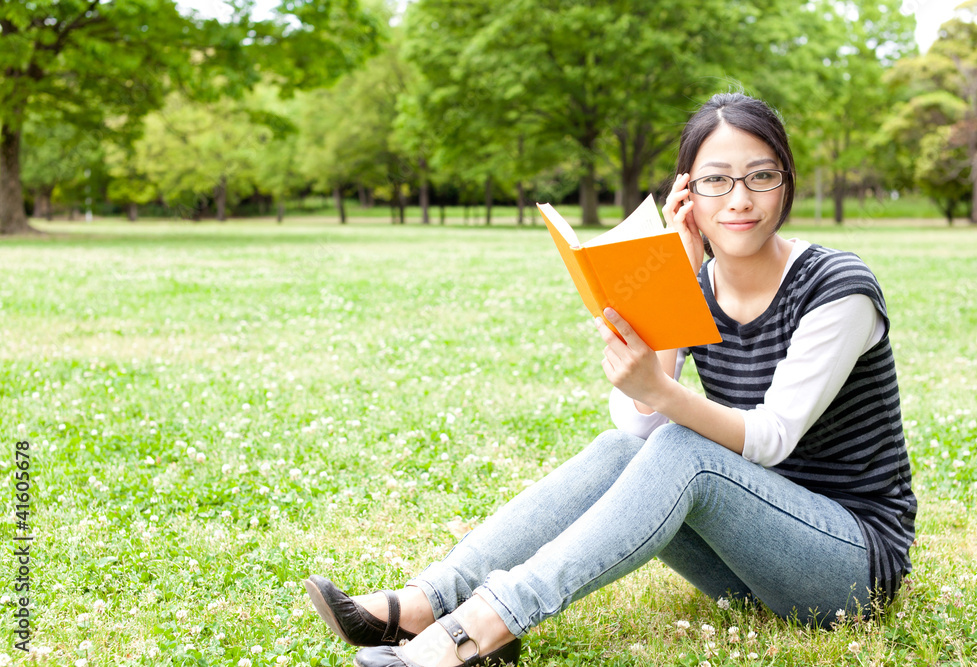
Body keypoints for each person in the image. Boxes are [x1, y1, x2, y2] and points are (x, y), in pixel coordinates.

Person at [303, 92, 917, 667]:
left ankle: (479, 631)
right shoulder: (698, 283)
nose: (739, 199)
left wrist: (662, 390)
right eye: (716, 180)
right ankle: (427, 603)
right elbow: (634, 427)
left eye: (761, 175)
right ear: (688, 193)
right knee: (630, 446)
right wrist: (671, 284)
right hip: (749, 562)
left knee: (684, 450)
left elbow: (772, 438)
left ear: (785, 180)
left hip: (847, 568)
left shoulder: (838, 288)